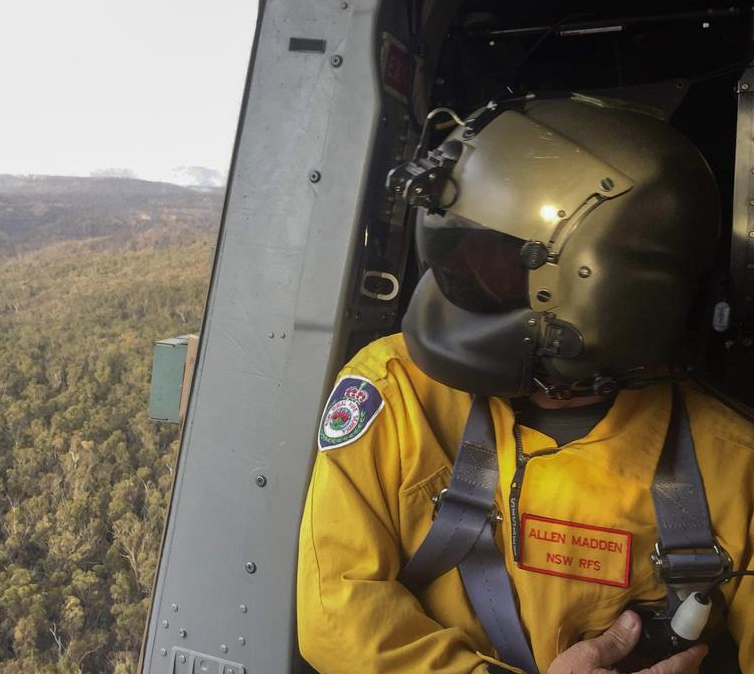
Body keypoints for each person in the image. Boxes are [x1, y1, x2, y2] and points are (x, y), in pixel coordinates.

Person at [296, 97, 754, 673]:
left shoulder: (733, 467)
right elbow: (337, 615)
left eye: (502, 255)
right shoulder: (393, 392)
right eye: (460, 246)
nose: (463, 273)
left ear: (613, 291)